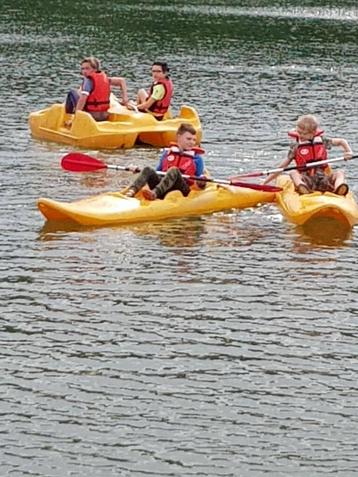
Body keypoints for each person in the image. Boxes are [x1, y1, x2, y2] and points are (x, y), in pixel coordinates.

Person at [263, 114, 353, 195]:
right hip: (306, 180)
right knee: (293, 172)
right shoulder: (296, 146)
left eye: (304, 134)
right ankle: (302, 187)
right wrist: (264, 183)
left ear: (313, 132)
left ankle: (339, 187)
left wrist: (348, 152)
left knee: (340, 173)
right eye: (299, 132)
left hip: (323, 178)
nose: (300, 136)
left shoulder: (322, 141)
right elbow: (282, 166)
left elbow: (342, 141)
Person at [125, 123, 206, 200]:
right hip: (164, 185)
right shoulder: (167, 154)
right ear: (179, 137)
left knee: (174, 170)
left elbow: (200, 181)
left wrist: (201, 182)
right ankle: (131, 191)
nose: (192, 142)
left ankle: (154, 194)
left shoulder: (197, 158)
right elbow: (157, 172)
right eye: (188, 139)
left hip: (182, 188)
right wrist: (139, 171)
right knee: (148, 169)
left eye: (194, 140)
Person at [65, 56, 129, 122]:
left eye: (87, 68)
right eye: (83, 69)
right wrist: (125, 99)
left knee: (72, 93)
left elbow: (82, 100)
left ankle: (68, 117)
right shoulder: (105, 78)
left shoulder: (88, 81)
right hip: (104, 116)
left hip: (91, 116)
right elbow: (122, 81)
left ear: (95, 69)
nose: (84, 71)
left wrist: (76, 117)